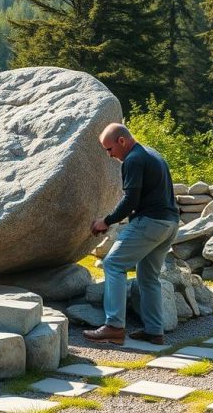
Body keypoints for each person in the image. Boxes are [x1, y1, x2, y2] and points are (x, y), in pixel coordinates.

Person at [83, 123, 180, 345]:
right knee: (148, 277)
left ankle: (114, 327)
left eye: (109, 149)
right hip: (170, 223)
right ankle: (155, 331)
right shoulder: (152, 154)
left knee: (113, 264)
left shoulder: (133, 160)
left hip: (151, 223)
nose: (109, 155)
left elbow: (130, 201)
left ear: (122, 141)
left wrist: (104, 222)